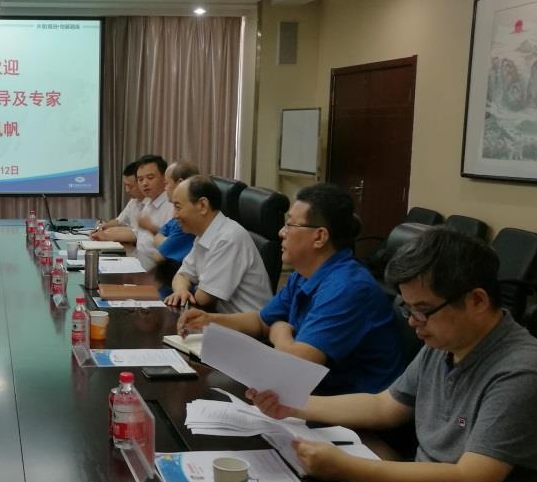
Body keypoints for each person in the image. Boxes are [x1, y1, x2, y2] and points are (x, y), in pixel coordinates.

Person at [247, 228, 537, 482]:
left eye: (423, 311)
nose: (412, 322)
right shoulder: (446, 342)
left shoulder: (523, 372)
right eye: (408, 309)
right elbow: (384, 406)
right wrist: (292, 403)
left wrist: (345, 467)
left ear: (477, 300)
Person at [178, 182, 403, 394]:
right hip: (310, 392)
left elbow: (296, 365)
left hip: (349, 408)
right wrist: (209, 320)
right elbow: (262, 321)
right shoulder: (304, 274)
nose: (281, 232)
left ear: (319, 237)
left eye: (290, 225)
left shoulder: (347, 287)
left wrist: (280, 331)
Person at [164, 175, 271, 313]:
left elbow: (203, 298)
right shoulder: (204, 234)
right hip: (220, 318)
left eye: (178, 207)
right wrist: (181, 291)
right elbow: (182, 275)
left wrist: (191, 287)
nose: (174, 215)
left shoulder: (228, 238)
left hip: (245, 324)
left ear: (203, 205)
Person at [91, 154, 173, 270]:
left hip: (157, 269)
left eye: (150, 178)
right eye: (140, 179)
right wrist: (105, 235)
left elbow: (171, 247)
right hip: (139, 262)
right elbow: (136, 233)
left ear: (164, 178)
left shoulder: (171, 206)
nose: (144, 183)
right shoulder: (149, 202)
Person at [152, 161, 200, 266]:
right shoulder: (179, 214)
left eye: (166, 183)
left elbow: (158, 256)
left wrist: (165, 241)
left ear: (180, 183)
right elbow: (158, 235)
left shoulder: (187, 218)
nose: (165, 189)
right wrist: (168, 241)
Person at [98, 161, 143, 230]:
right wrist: (104, 226)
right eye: (125, 185)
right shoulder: (133, 201)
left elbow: (138, 233)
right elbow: (119, 221)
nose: (127, 190)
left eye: (130, 186)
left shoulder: (151, 204)